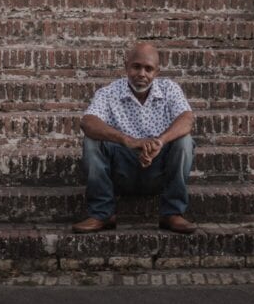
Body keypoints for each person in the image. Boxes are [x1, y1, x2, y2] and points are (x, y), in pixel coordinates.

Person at [72, 42, 197, 234]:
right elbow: (87, 122)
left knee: (184, 141)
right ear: (126, 66)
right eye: (136, 66)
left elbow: (187, 119)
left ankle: (171, 213)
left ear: (157, 72)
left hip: (159, 171)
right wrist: (128, 141)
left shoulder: (170, 89)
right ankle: (102, 213)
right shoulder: (108, 92)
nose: (142, 74)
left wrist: (160, 142)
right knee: (92, 141)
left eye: (148, 69)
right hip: (121, 172)